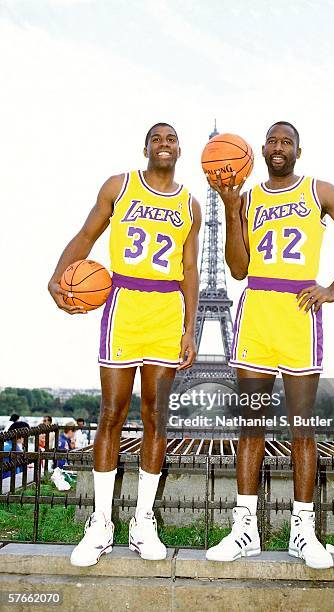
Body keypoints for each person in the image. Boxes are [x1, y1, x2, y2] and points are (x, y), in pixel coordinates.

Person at [206, 121, 334, 568]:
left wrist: (333, 288)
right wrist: (227, 208)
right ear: (261, 149)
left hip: (300, 314)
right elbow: (238, 269)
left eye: (287, 141)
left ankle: (303, 530)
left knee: (303, 428)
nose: (279, 147)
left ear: (299, 150)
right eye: (273, 141)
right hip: (256, 311)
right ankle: (245, 528)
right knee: (251, 426)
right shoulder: (247, 198)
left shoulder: (321, 191)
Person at [48, 123, 201, 567]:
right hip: (123, 305)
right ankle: (100, 523)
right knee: (111, 412)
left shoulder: (189, 204)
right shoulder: (120, 186)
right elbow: (86, 236)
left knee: (156, 415)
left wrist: (190, 328)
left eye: (172, 138)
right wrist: (59, 273)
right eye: (157, 138)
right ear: (146, 147)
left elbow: (190, 270)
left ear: (180, 149)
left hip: (167, 310)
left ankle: (143, 520)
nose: (165, 144)